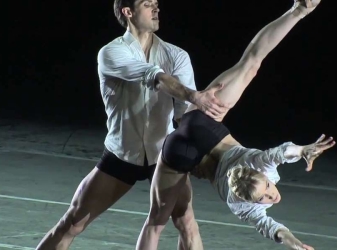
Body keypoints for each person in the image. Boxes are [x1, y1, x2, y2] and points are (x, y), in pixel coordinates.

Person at [136, 1, 332, 250]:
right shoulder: (249, 187)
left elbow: (270, 223)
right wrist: (302, 150)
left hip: (193, 135)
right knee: (250, 64)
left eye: (266, 195)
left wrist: (293, 242)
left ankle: (299, 11)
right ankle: (300, 10)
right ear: (263, 175)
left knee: (157, 223)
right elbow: (285, 152)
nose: (273, 196)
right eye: (268, 191)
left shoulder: (245, 193)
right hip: (195, 139)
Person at [35, 0, 229, 249]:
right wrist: (195, 95)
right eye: (148, 4)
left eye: (156, 3)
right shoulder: (111, 53)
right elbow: (154, 76)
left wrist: (206, 154)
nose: (156, 9)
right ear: (128, 12)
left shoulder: (177, 55)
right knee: (73, 222)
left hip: (164, 157)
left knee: (186, 222)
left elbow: (184, 116)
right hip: (121, 154)